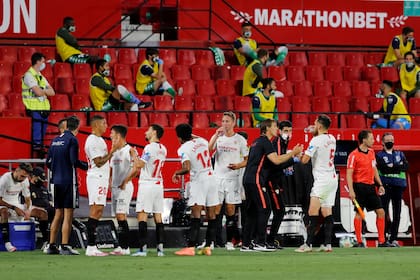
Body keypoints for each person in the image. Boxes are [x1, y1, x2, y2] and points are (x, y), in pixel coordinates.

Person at [241, 119, 303, 252]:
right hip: (257, 179)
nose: (277, 129)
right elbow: (276, 160)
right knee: (265, 209)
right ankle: (260, 242)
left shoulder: (256, 141)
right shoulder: (266, 142)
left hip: (248, 179)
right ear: (267, 128)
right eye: (275, 126)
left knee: (252, 212)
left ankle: (246, 244)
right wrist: (294, 154)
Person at [173, 124, 219, 256]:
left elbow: (186, 168)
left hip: (199, 180)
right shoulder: (203, 141)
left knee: (196, 212)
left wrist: (177, 172)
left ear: (179, 137)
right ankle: (208, 246)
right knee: (211, 213)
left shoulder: (183, 148)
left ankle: (191, 247)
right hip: (211, 177)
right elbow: (195, 138)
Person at [294, 115, 337, 253]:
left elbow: (305, 160)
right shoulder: (332, 139)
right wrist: (315, 131)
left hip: (322, 180)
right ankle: (328, 244)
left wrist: (298, 154)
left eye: (315, 123)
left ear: (319, 125)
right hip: (332, 178)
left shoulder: (316, 140)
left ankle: (308, 244)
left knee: (313, 211)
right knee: (326, 211)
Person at [46, 116, 88, 255]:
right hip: (68, 181)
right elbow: (73, 161)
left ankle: (51, 245)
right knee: (68, 214)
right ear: (77, 126)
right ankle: (65, 245)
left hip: (55, 181)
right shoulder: (72, 140)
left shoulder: (55, 140)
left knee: (58, 213)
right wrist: (87, 166)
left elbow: (48, 162)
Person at [208, 112, 249, 251]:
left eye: (227, 121)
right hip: (217, 178)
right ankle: (213, 240)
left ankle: (230, 241)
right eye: (223, 121)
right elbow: (208, 150)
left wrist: (238, 166)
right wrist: (215, 136)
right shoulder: (218, 138)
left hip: (232, 179)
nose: (224, 124)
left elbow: (247, 160)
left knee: (231, 209)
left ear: (233, 123)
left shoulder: (240, 140)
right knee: (216, 209)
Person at [346, 130, 392, 248]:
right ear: (364, 140)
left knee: (381, 212)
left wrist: (380, 184)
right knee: (359, 213)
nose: (373, 140)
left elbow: (374, 169)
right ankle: (359, 241)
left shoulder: (371, 152)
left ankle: (382, 241)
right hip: (359, 187)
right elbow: (349, 174)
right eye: (371, 138)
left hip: (371, 187)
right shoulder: (353, 155)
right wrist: (351, 190)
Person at [127, 124, 167, 257]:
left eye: (148, 130)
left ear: (154, 132)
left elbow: (139, 165)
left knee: (142, 215)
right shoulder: (163, 149)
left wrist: (134, 155)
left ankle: (142, 249)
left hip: (147, 184)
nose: (145, 132)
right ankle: (160, 249)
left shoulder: (149, 148)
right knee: (158, 216)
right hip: (158, 184)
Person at [84, 115, 116, 257]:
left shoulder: (100, 140)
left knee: (99, 209)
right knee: (96, 209)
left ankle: (92, 246)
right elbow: (98, 162)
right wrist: (112, 152)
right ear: (96, 124)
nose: (106, 125)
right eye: (104, 123)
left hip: (101, 178)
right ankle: (91, 247)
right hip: (96, 178)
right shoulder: (92, 141)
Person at [0, 163, 48, 252]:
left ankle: (46, 243)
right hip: (3, 205)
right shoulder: (4, 180)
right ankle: (7, 243)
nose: (23, 179)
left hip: (16, 205)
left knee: (43, 213)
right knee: (4, 211)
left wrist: (28, 211)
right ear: (17, 170)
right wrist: (14, 208)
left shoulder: (24, 181)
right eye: (22, 176)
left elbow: (27, 198)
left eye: (25, 177)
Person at [266, 120, 296, 248]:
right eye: (285, 131)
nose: (288, 134)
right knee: (278, 210)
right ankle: (268, 240)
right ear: (279, 131)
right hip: (271, 180)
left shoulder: (283, 142)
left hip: (276, 180)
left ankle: (268, 239)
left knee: (276, 211)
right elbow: (276, 162)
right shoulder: (277, 142)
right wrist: (293, 159)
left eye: (290, 131)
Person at [376, 132, 409, 247]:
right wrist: (397, 167)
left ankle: (393, 238)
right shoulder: (379, 155)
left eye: (392, 139)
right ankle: (383, 238)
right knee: (383, 212)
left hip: (398, 186)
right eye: (388, 139)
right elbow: (383, 169)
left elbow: (405, 167)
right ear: (383, 142)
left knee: (397, 213)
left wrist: (392, 167)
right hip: (385, 186)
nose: (390, 141)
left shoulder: (400, 153)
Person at [22, 52, 56, 150]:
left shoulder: (41, 76)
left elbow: (53, 92)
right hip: (34, 110)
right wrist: (44, 91)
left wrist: (43, 91)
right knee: (36, 143)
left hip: (44, 110)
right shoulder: (29, 75)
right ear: (37, 62)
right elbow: (38, 92)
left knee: (42, 140)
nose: (44, 63)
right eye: (43, 61)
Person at [29, 166, 54, 250]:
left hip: (49, 210)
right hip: (33, 209)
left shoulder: (44, 188)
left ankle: (59, 241)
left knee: (57, 211)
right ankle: (46, 241)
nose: (41, 181)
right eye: (39, 179)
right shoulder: (28, 187)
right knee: (44, 213)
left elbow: (50, 201)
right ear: (33, 176)